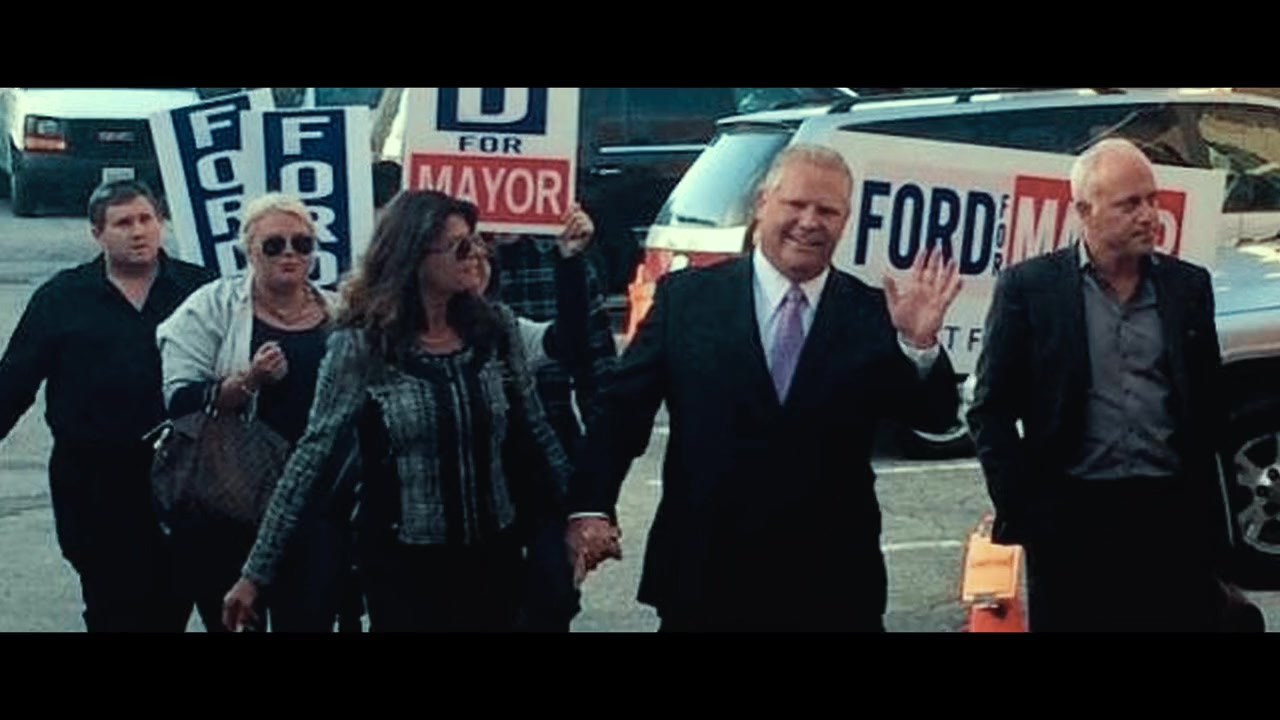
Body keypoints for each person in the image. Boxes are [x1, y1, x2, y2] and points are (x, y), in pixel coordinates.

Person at [566, 144, 963, 632]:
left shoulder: (875, 312)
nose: (809, 222)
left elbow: (933, 418)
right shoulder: (687, 300)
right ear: (762, 203)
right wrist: (591, 505)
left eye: (827, 211)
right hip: (705, 578)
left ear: (845, 221)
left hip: (832, 586)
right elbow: (621, 413)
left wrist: (918, 345)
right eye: (796, 204)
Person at [221, 189, 582, 632]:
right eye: (460, 247)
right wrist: (255, 574)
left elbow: (535, 429)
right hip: (402, 568)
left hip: (495, 556)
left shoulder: (495, 329)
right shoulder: (361, 344)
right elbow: (311, 458)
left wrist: (583, 513)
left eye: (476, 242)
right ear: (415, 256)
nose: (476, 255)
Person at [967, 138, 1241, 632]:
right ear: (1083, 210)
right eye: (1129, 204)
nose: (1149, 215)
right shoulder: (1031, 289)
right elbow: (991, 408)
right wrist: (1024, 507)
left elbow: (1209, 404)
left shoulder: (1187, 287)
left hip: (1170, 515)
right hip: (1072, 517)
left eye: (1152, 199)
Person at [0, 179, 216, 631]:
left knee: (169, 604)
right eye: (123, 223)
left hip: (183, 481)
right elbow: (13, 384)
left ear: (160, 222)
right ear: (97, 233)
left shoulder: (198, 290)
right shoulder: (61, 299)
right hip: (93, 484)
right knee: (111, 607)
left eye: (146, 219)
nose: (138, 232)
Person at [156, 192, 356, 632]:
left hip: (315, 503)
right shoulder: (211, 307)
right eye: (274, 244)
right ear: (248, 250)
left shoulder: (339, 313)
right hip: (231, 501)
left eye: (302, 244)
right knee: (233, 621)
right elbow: (179, 400)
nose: (289, 254)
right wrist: (247, 381)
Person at [483, 208, 617, 632]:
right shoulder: (445, 257)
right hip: (469, 459)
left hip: (548, 451)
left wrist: (596, 500)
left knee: (553, 594)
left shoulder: (558, 252)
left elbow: (596, 372)